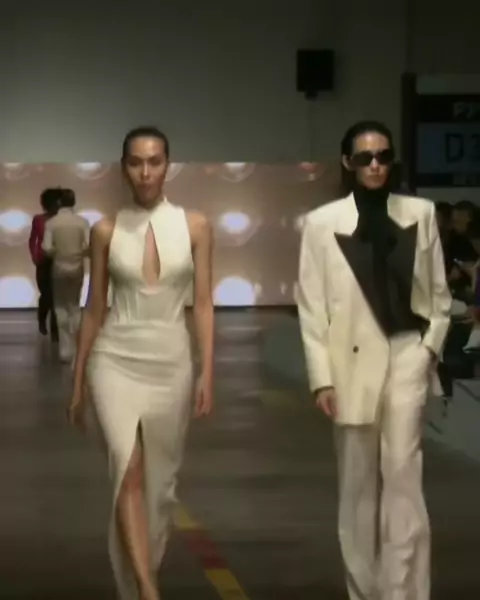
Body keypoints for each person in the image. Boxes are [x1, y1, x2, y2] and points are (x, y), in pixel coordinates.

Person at [296, 120, 451, 600]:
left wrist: (429, 348)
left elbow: (439, 294)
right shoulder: (321, 223)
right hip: (349, 364)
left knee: (403, 476)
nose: (376, 165)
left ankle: (403, 593)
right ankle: (364, 591)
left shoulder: (421, 213)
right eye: (365, 157)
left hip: (407, 352)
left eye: (383, 156)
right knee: (357, 488)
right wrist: (321, 379)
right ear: (348, 162)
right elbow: (311, 305)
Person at [67, 126, 214, 600]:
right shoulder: (105, 231)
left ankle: (138, 577)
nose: (145, 171)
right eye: (135, 162)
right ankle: (148, 591)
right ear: (123, 168)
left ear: (168, 165)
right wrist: (77, 382)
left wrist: (207, 371)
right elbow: (94, 309)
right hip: (114, 360)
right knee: (126, 469)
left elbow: (204, 304)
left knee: (160, 486)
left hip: (171, 362)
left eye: (154, 161)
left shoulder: (196, 226)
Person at [42, 188, 90, 362]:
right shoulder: (82, 222)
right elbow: (88, 245)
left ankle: (65, 350)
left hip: (59, 267)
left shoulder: (52, 223)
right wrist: (77, 253)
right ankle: (77, 348)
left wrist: (58, 253)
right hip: (77, 267)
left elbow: (46, 248)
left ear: (59, 203)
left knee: (61, 307)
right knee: (75, 307)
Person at [28, 187, 61, 339]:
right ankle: (42, 319)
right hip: (43, 261)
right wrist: (35, 257)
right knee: (46, 294)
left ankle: (55, 330)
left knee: (57, 296)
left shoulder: (61, 220)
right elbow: (33, 239)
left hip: (58, 260)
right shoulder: (38, 219)